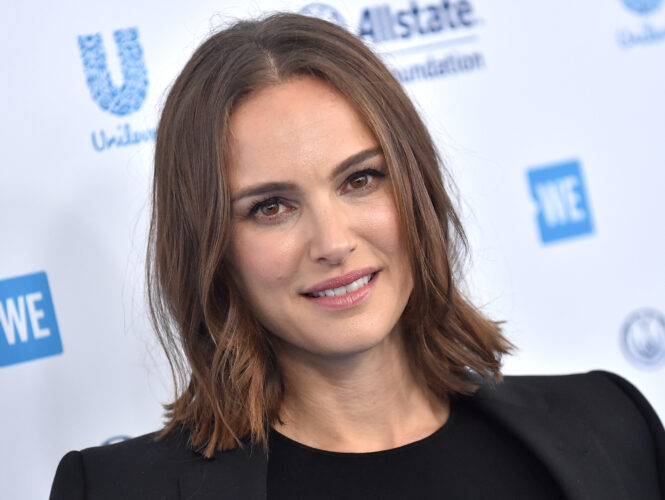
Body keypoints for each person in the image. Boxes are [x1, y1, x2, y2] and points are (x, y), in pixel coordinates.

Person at [50, 12, 664, 500]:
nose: (333, 242)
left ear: (415, 187)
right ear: (210, 248)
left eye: (360, 180)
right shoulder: (113, 490)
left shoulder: (613, 424)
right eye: (271, 207)